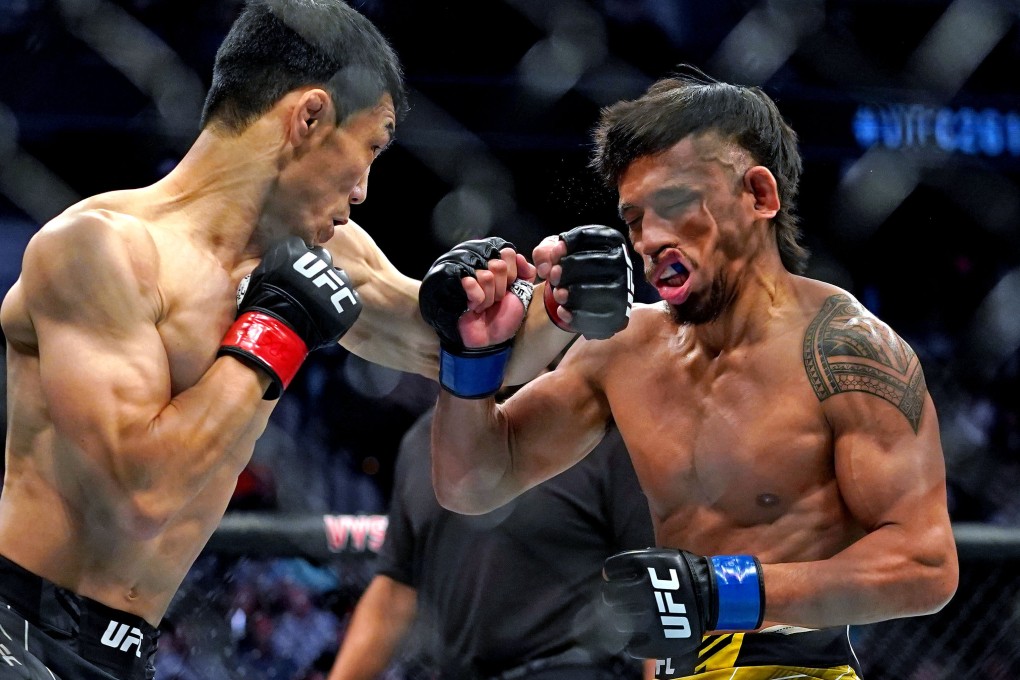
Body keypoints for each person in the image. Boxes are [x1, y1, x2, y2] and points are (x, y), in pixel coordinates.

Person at [0, 0, 628, 677]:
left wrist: (556, 302)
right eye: (371, 146)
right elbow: (139, 498)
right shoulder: (99, 249)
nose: (362, 190)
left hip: (128, 652)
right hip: (20, 633)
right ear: (309, 117)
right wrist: (280, 323)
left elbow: (457, 349)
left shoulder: (329, 253)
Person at [419, 68, 960, 679]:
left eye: (675, 204)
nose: (648, 239)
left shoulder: (844, 350)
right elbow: (472, 484)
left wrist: (722, 592)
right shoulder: (624, 346)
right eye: (634, 219)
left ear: (758, 196)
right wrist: (472, 359)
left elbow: (926, 566)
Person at [327, 406, 655, 680]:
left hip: (570, 668)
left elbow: (652, 583)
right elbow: (394, 591)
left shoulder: (599, 434)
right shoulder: (422, 442)